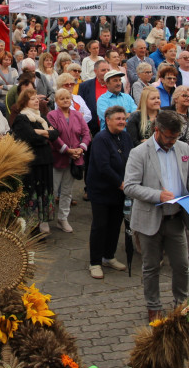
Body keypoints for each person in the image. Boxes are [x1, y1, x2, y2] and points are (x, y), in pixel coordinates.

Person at [123, 110, 189, 321]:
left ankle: (181, 303)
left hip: (176, 217)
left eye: (176, 137)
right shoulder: (139, 152)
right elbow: (130, 187)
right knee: (150, 267)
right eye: (168, 137)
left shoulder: (183, 148)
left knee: (182, 265)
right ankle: (153, 306)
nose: (172, 141)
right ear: (156, 130)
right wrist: (158, 195)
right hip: (150, 219)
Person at [86, 105, 132, 280]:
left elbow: (131, 158)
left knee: (115, 224)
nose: (122, 122)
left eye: (124, 119)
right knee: (100, 225)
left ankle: (109, 256)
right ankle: (95, 262)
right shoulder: (101, 138)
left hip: (121, 190)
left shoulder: (126, 136)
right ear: (108, 120)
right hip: (102, 190)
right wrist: (121, 183)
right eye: (118, 119)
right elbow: (103, 166)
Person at [11, 87, 59, 234]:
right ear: (25, 102)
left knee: (44, 192)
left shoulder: (41, 117)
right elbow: (29, 137)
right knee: (33, 192)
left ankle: (41, 222)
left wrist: (42, 132)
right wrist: (46, 133)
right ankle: (32, 227)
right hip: (32, 162)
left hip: (45, 160)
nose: (37, 101)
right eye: (33, 99)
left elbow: (55, 133)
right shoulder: (21, 118)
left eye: (37, 98)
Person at [46, 87, 90, 233]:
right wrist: (67, 150)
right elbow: (53, 135)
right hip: (58, 157)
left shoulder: (77, 115)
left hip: (74, 159)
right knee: (52, 190)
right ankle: (45, 219)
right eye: (62, 98)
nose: (65, 100)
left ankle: (62, 218)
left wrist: (81, 149)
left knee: (67, 191)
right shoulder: (52, 115)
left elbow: (86, 133)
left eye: (67, 98)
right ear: (56, 101)